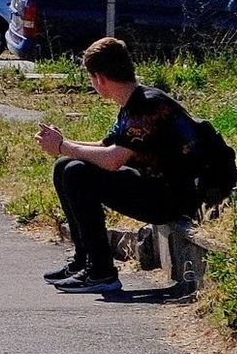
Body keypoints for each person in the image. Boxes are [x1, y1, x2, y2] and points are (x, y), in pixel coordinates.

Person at [35, 36, 202, 295]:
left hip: (173, 199)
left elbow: (112, 161)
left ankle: (101, 273)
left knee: (76, 173)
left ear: (99, 78)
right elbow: (105, 147)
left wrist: (63, 146)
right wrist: (62, 144)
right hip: (157, 186)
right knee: (65, 165)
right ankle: (85, 261)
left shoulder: (146, 106)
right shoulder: (134, 102)